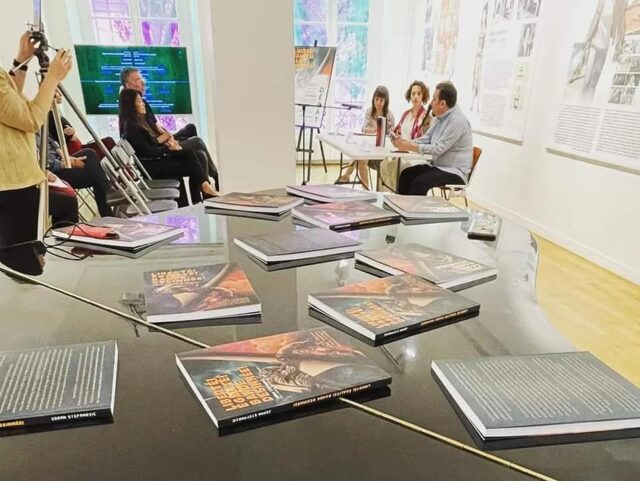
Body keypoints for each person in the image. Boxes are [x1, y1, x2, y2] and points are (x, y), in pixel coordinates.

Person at [0, 32, 74, 248]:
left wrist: (21, 61)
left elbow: (9, 103)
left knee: (19, 251)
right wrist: (52, 78)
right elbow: (31, 119)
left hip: (12, 181)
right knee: (24, 254)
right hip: (12, 183)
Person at [119, 67, 219, 190]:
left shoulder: (143, 107)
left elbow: (157, 127)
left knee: (190, 130)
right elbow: (147, 145)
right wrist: (167, 144)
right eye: (138, 80)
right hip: (156, 150)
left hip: (160, 142)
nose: (143, 82)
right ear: (128, 85)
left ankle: (206, 186)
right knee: (197, 147)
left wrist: (169, 137)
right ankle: (213, 179)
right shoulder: (131, 120)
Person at [393, 82, 472, 196]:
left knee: (419, 183)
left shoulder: (457, 121)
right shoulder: (440, 117)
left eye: (434, 99)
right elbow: (427, 138)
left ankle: (415, 208)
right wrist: (406, 142)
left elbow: (438, 149)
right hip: (439, 166)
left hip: (454, 171)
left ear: (442, 104)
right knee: (406, 175)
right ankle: (402, 206)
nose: (431, 102)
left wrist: (410, 146)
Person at [38, 132, 114, 218]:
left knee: (89, 154)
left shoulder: (40, 130)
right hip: (51, 171)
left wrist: (66, 157)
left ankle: (108, 198)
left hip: (60, 159)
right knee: (96, 176)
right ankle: (108, 199)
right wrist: (64, 164)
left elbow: (53, 143)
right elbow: (41, 161)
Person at [337, 86, 395, 190]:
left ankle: (347, 174)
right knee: (361, 157)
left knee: (359, 154)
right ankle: (366, 188)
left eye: (381, 100)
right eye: (376, 99)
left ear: (386, 101)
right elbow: (363, 127)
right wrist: (367, 129)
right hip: (368, 145)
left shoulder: (389, 115)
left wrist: (380, 132)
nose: (378, 102)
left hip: (381, 149)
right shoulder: (370, 110)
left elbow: (391, 134)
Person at [378, 80, 432, 191]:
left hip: (416, 155)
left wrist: (406, 145)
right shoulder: (406, 114)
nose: (415, 96)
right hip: (402, 152)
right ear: (410, 96)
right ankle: (388, 194)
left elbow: (426, 141)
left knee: (396, 166)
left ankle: (398, 194)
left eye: (419, 94)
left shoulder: (426, 117)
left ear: (423, 96)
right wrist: (395, 138)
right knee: (383, 164)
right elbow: (397, 132)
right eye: (413, 93)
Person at [48, 90, 116, 160]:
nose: (60, 94)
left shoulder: (57, 113)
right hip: (74, 150)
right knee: (107, 143)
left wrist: (73, 131)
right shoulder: (51, 116)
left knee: (108, 141)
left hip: (79, 146)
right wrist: (72, 133)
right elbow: (66, 136)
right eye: (56, 91)